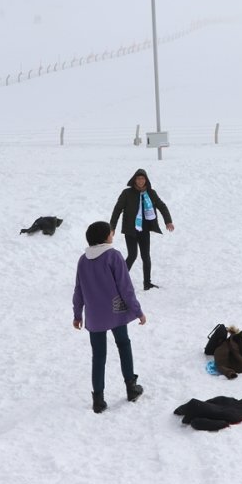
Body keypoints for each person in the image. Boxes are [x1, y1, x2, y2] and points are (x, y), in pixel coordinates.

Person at [73, 221, 146, 414]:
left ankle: (98, 400)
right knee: (123, 345)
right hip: (116, 312)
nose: (112, 234)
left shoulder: (83, 260)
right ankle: (131, 388)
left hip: (95, 316)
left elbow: (79, 289)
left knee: (98, 356)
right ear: (105, 237)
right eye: (110, 232)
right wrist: (137, 311)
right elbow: (125, 287)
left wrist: (77, 314)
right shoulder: (113, 255)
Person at [109, 168, 174, 291]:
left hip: (144, 230)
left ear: (146, 180)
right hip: (130, 230)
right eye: (138, 178)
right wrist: (112, 227)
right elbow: (117, 209)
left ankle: (147, 283)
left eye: (143, 178)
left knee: (146, 256)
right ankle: (117, 280)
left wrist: (168, 221)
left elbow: (162, 206)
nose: (140, 181)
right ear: (134, 179)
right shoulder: (127, 193)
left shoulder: (151, 193)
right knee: (132, 255)